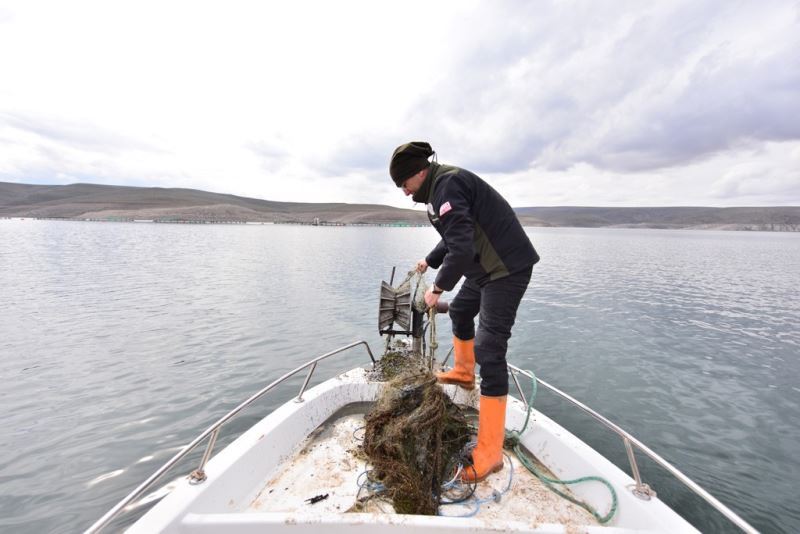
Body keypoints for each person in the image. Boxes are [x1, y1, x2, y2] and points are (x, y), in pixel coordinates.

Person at [389, 141, 539, 483]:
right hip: (483, 270)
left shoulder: (447, 185)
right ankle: (463, 372)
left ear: (418, 173)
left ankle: (489, 453)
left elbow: (462, 247)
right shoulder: (439, 188)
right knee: (459, 312)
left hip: (506, 269)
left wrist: (437, 288)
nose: (403, 191)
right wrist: (429, 260)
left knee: (491, 349)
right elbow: (454, 235)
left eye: (403, 184)